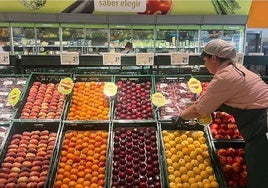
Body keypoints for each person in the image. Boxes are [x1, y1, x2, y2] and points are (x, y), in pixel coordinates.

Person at [172, 39, 268, 188]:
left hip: (263, 127)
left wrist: (181, 117)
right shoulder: (237, 68)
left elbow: (200, 109)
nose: (205, 65)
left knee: (260, 174)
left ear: (214, 58)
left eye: (205, 60)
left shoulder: (224, 77)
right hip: (260, 122)